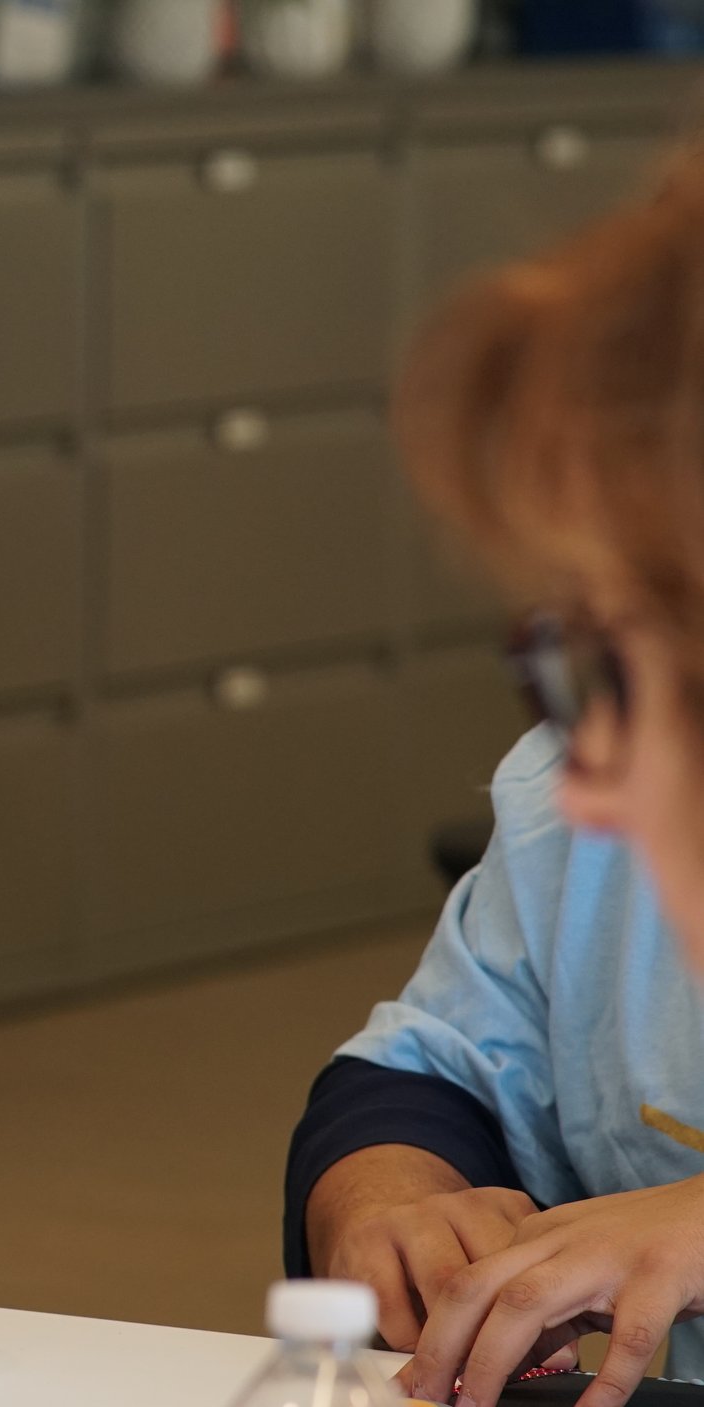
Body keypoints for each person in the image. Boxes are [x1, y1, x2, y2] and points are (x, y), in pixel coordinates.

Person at [298, 142, 704, 1407]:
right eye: (579, 662)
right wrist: (388, 1195)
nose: (587, 786)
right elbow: (426, 1074)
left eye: (658, 670)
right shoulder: (571, 807)